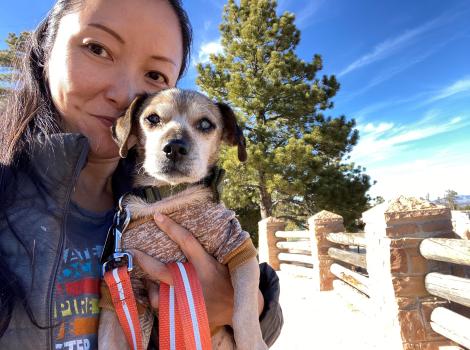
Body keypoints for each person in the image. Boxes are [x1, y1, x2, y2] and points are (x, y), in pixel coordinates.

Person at [0, 0, 283, 349]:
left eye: (155, 76)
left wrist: (247, 310)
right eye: (98, 49)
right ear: (45, 49)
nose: (124, 95)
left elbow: (253, 284)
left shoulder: (181, 209)